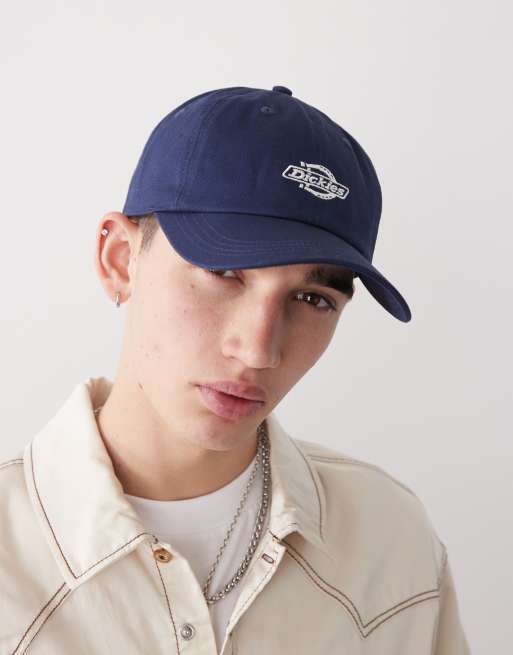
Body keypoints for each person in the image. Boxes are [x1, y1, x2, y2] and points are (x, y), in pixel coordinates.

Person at [0, 85, 470, 654]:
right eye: (224, 272)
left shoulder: (389, 542)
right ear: (120, 260)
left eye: (313, 299)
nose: (258, 350)